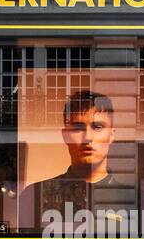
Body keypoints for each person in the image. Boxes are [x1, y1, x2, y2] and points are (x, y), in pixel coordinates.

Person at [17, 89, 133, 231]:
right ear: (66, 135)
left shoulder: (135, 200)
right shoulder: (34, 196)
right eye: (78, 127)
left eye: (97, 127)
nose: (88, 137)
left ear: (111, 135)